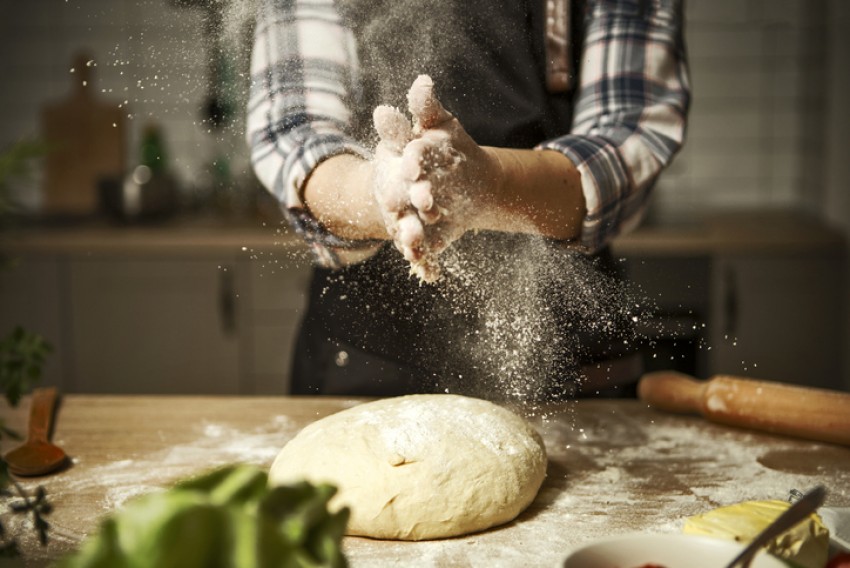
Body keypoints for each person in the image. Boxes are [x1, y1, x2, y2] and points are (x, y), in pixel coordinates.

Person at [246, 0, 690, 399]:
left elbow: (628, 133)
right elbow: (299, 132)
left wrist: (489, 185)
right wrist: (381, 192)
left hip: (568, 365)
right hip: (363, 360)